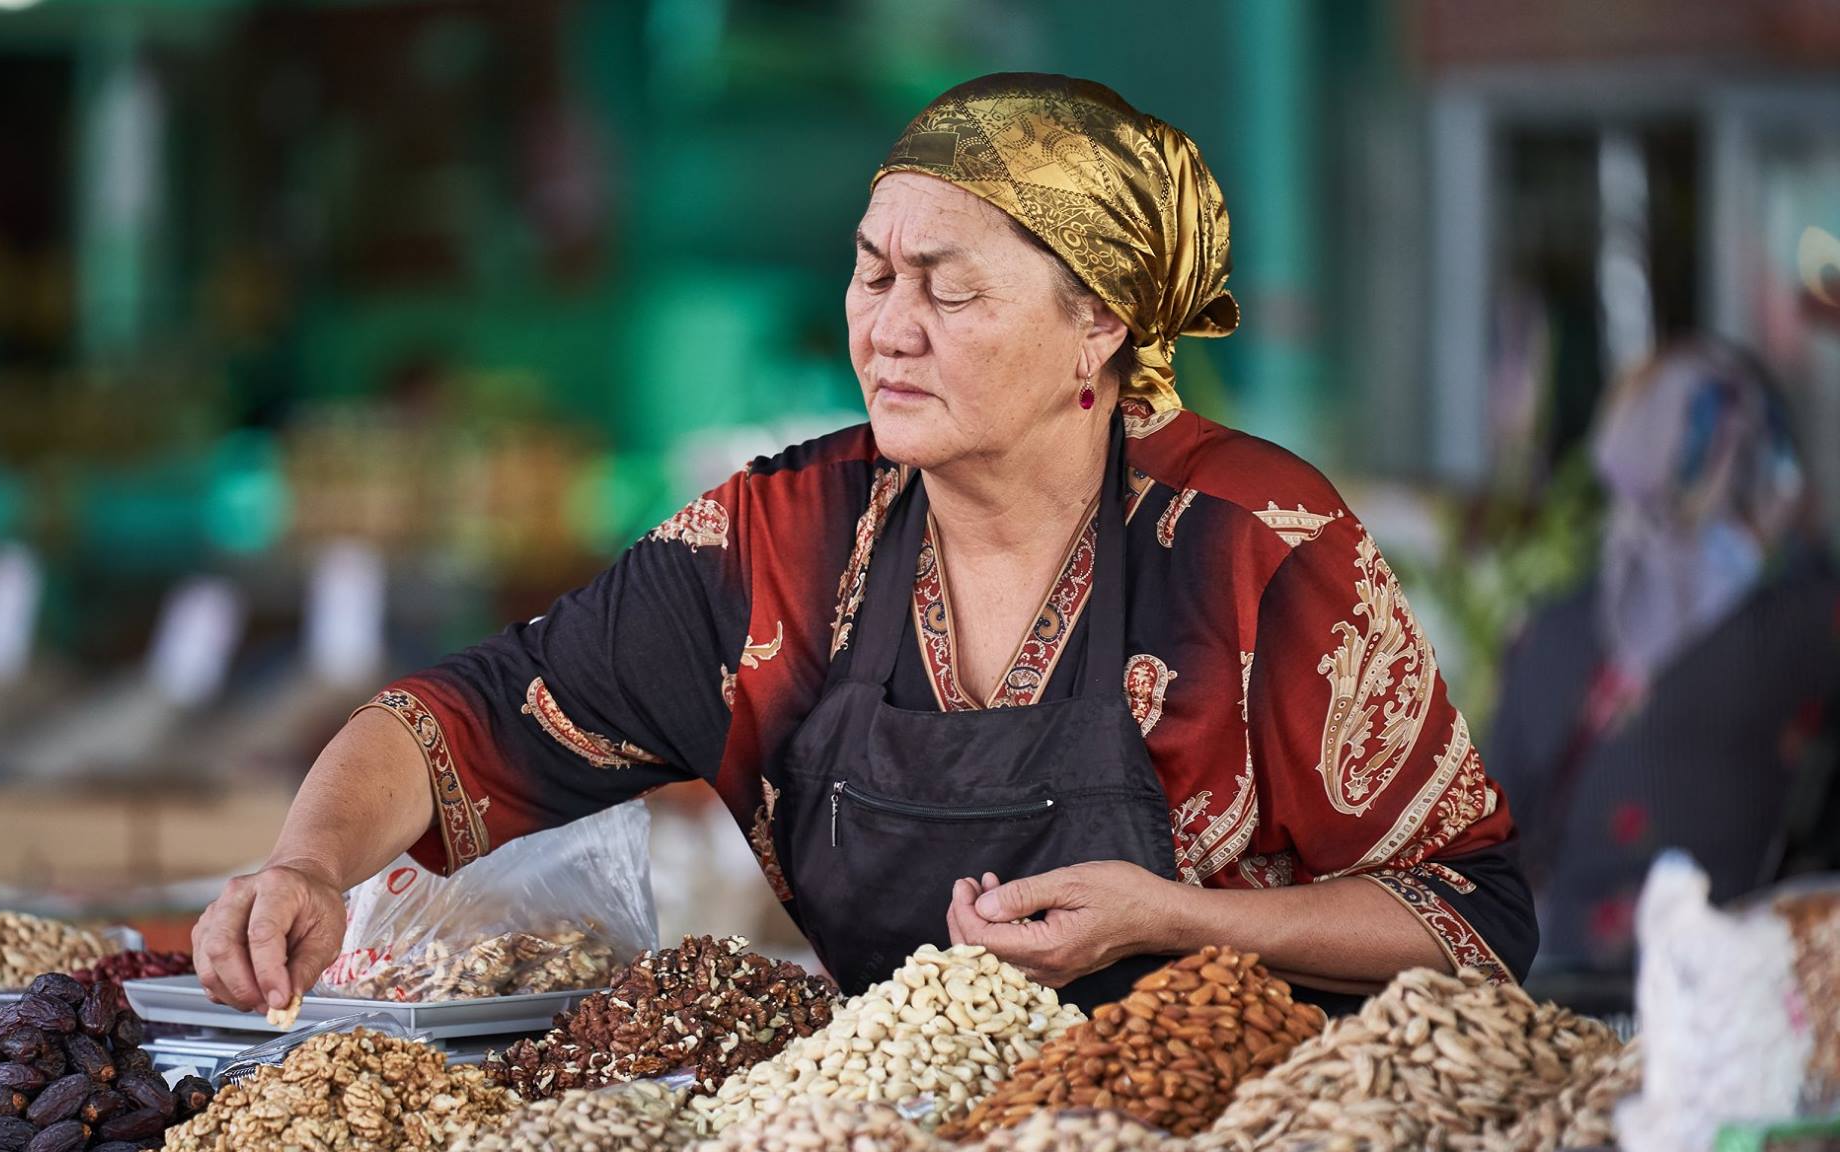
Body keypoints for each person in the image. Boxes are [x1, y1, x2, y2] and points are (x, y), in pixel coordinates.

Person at [193, 73, 1535, 1015]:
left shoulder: (1257, 543)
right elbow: (469, 713)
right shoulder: (780, 540)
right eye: (872, 272)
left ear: (1101, 327)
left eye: (949, 289)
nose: (886, 326)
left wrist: (1182, 919)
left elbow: (1469, 916)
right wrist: (308, 861)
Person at [1487, 337, 1840, 970]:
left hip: (1573, 1007)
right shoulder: (1811, 629)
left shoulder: (1548, 632)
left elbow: (1489, 843)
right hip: (1748, 1015)